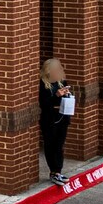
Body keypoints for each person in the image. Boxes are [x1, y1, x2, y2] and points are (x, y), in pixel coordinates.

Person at [38, 58, 74, 186]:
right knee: (50, 145)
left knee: (59, 145)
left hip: (62, 117)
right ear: (49, 71)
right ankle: (53, 171)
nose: (59, 71)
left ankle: (58, 171)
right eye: (56, 69)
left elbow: (67, 98)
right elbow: (44, 103)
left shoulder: (61, 82)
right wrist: (56, 96)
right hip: (50, 119)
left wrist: (66, 94)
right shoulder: (43, 84)